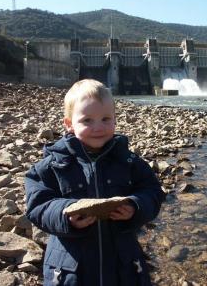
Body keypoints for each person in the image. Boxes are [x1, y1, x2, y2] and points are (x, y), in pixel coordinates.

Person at [25, 79, 165, 286]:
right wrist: (66, 215)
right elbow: (37, 205)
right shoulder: (50, 166)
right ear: (69, 124)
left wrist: (135, 206)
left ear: (116, 120)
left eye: (106, 119)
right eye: (87, 120)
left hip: (123, 266)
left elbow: (153, 192)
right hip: (71, 270)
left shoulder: (129, 162)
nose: (98, 127)